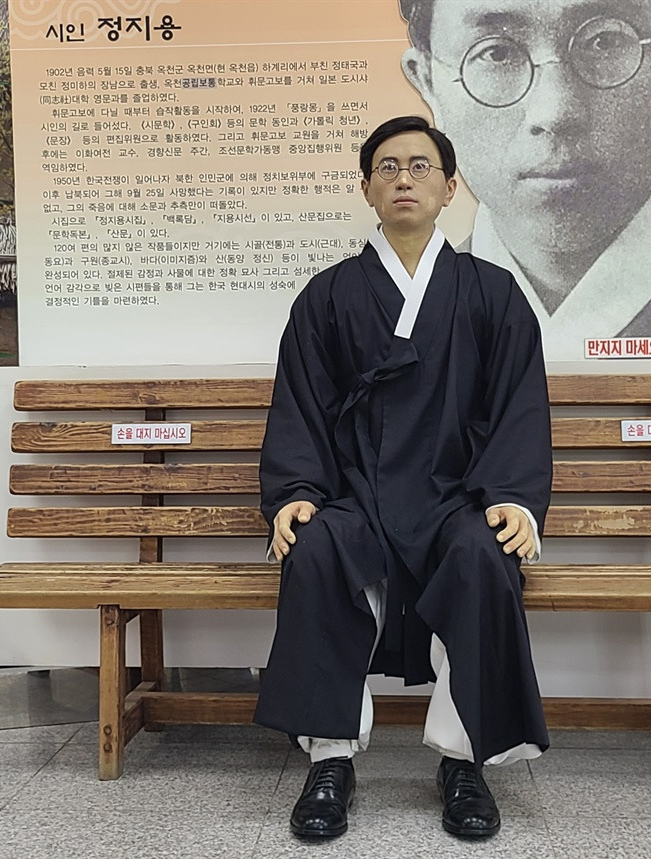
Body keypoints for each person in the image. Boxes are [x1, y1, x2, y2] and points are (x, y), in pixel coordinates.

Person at [253, 115, 552, 840]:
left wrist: (513, 498)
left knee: (482, 554)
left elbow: (518, 405)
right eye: (387, 167)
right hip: (355, 494)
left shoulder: (492, 294)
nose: (404, 179)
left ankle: (463, 761)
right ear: (367, 189)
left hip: (455, 498)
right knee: (317, 548)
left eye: (421, 166)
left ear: (450, 188)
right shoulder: (327, 297)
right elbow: (300, 405)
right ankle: (329, 757)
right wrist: (296, 493)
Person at [400, 0, 651, 359]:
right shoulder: (405, 317)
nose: (555, 110)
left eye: (605, 41)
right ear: (428, 83)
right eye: (497, 53)